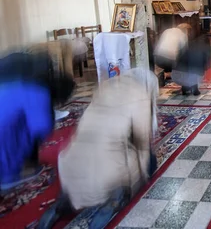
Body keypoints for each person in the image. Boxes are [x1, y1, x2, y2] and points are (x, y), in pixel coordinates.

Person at [38, 68, 158, 229]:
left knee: (77, 189)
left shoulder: (106, 87)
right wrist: (142, 174)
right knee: (149, 161)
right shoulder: (140, 96)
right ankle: (109, 206)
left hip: (71, 163)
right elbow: (142, 141)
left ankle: (58, 209)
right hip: (106, 171)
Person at [0, 51, 75, 191]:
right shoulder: (39, 92)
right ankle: (8, 175)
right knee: (30, 129)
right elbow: (40, 129)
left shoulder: (19, 81)